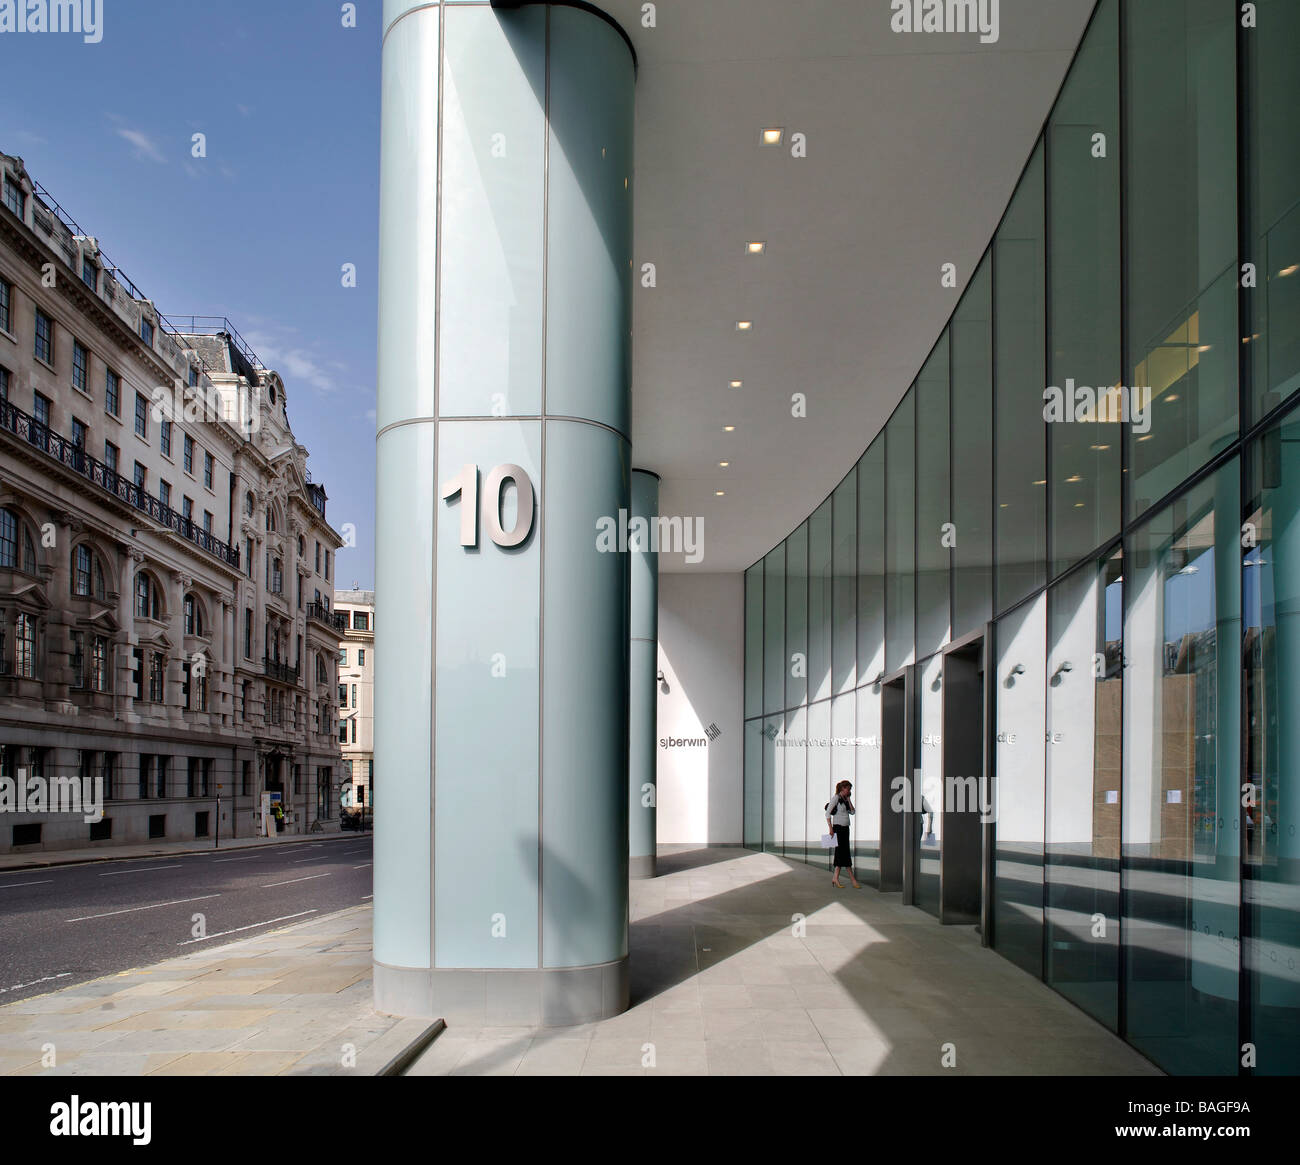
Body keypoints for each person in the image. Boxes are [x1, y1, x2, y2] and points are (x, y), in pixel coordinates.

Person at [826, 780, 860, 889]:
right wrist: (831, 829)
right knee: (843, 853)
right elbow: (827, 814)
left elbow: (853, 812)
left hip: (845, 829)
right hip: (838, 828)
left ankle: (835, 878)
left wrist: (849, 799)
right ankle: (852, 879)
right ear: (842, 788)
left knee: (842, 853)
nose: (849, 791)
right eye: (848, 789)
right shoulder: (836, 798)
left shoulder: (845, 799)